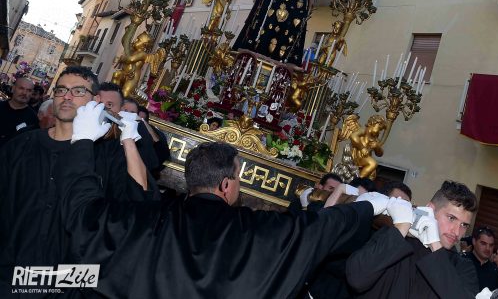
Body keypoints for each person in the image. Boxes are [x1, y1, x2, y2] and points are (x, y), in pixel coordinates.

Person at [59, 140, 389, 298]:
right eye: (239, 179)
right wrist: (365, 207)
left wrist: (82, 142)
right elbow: (315, 230)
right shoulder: (253, 230)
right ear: (227, 185)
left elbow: (82, 211)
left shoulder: (146, 218)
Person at [0, 66, 150, 296]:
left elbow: (140, 202)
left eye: (78, 91)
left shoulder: (107, 154)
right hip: (10, 273)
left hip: (69, 282)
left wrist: (129, 140)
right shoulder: (22, 144)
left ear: (96, 101)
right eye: (61, 90)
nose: (67, 96)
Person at [346, 180, 480, 298]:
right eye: (451, 218)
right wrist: (401, 229)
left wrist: (435, 246)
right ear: (430, 209)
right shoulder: (396, 237)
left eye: (464, 225)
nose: (457, 232)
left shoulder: (462, 266)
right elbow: (356, 279)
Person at [98, 81, 160, 172]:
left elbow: (150, 162)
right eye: (100, 103)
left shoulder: (132, 132)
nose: (103, 109)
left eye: (110, 105)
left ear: (119, 109)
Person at [467, 226, 498, 299]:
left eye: (491, 245)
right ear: (474, 241)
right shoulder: (459, 261)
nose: (488, 248)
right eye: (483, 243)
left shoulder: (497, 274)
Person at [0, 76, 38, 147]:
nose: (24, 93)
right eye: (21, 88)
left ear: (31, 94)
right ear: (13, 89)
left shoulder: (33, 118)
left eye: (29, 90)